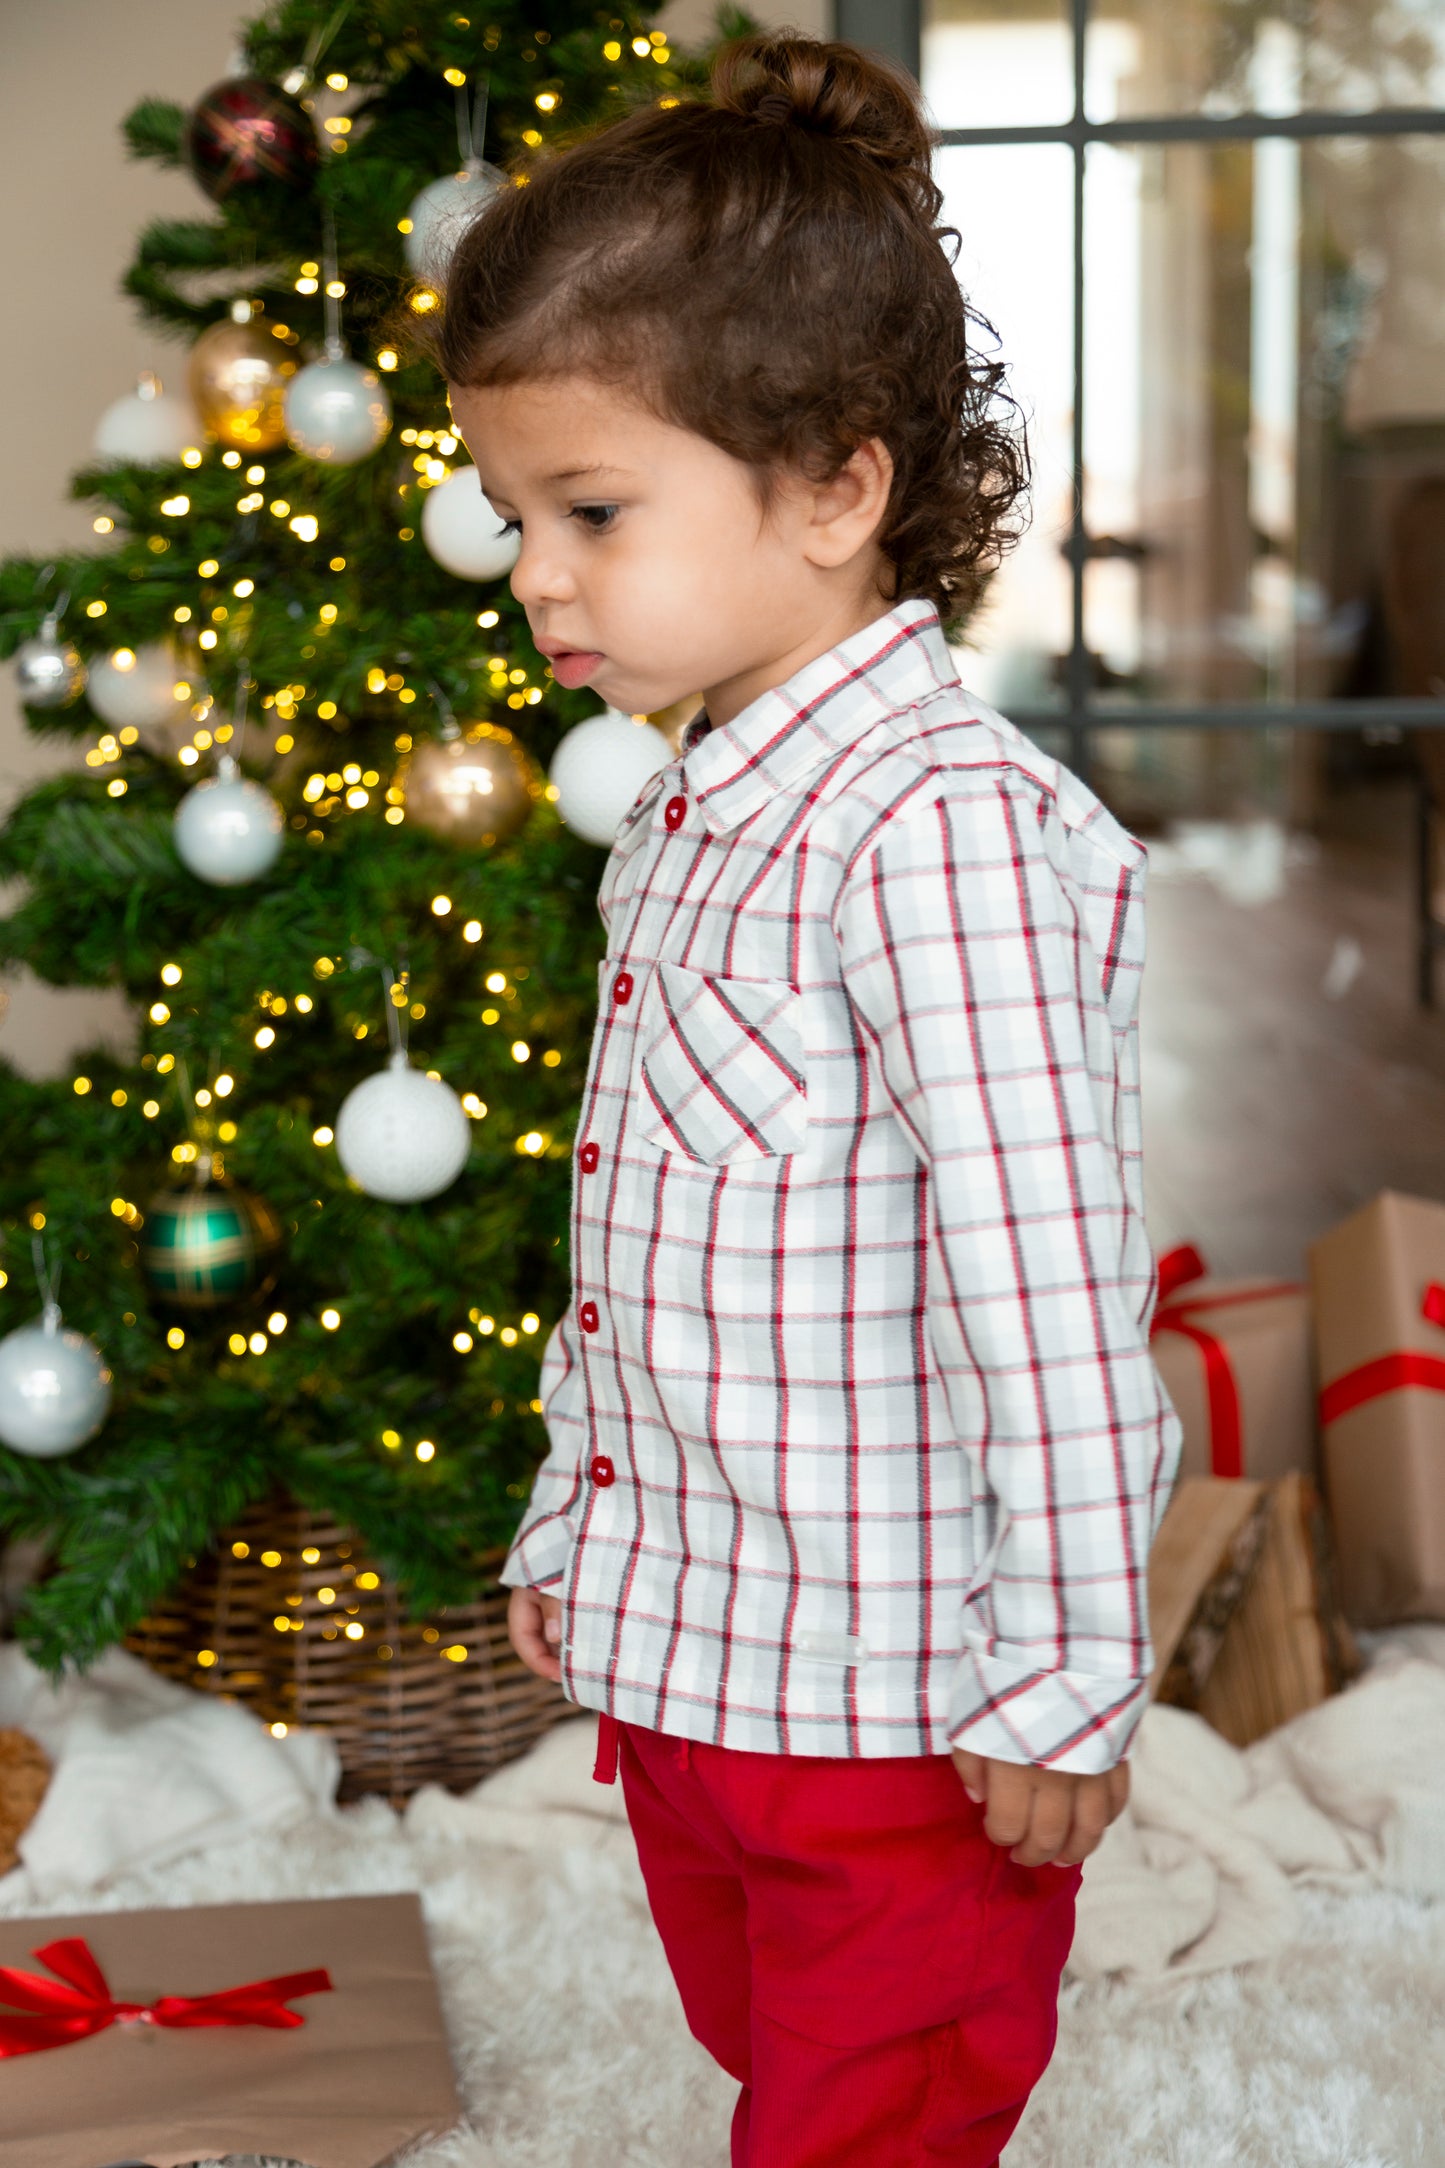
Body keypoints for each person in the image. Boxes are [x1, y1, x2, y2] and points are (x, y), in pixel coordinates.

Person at [431, 29, 1183, 2167]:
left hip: (895, 1713)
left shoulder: (931, 831)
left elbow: (1044, 1289)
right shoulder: (697, 806)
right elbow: (639, 1235)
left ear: (839, 490)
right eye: (515, 517)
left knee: (874, 2100)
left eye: (590, 511)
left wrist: (1060, 1675)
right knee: (760, 2033)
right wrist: (585, 1518)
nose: (535, 574)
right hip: (706, 1667)